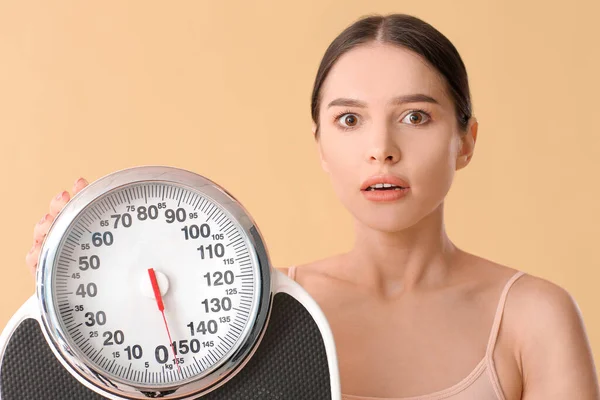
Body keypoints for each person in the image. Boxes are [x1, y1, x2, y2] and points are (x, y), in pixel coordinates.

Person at [25, 13, 599, 400]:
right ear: (321, 145)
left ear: (466, 140)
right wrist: (73, 291)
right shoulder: (251, 313)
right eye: (349, 119)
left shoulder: (533, 317)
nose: (381, 149)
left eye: (415, 116)